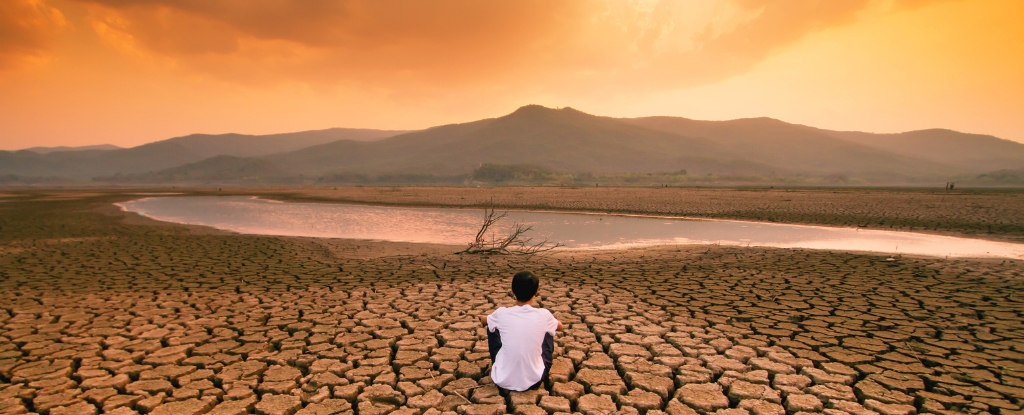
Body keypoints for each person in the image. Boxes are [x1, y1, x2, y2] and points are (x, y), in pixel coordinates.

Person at [479, 271, 563, 391]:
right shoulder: (544, 315)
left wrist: (488, 318)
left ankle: (505, 364)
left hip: (502, 379)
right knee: (549, 329)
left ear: (512, 291)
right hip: (535, 380)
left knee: (491, 326)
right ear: (536, 292)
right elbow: (560, 326)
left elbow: (484, 320)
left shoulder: (501, 313)